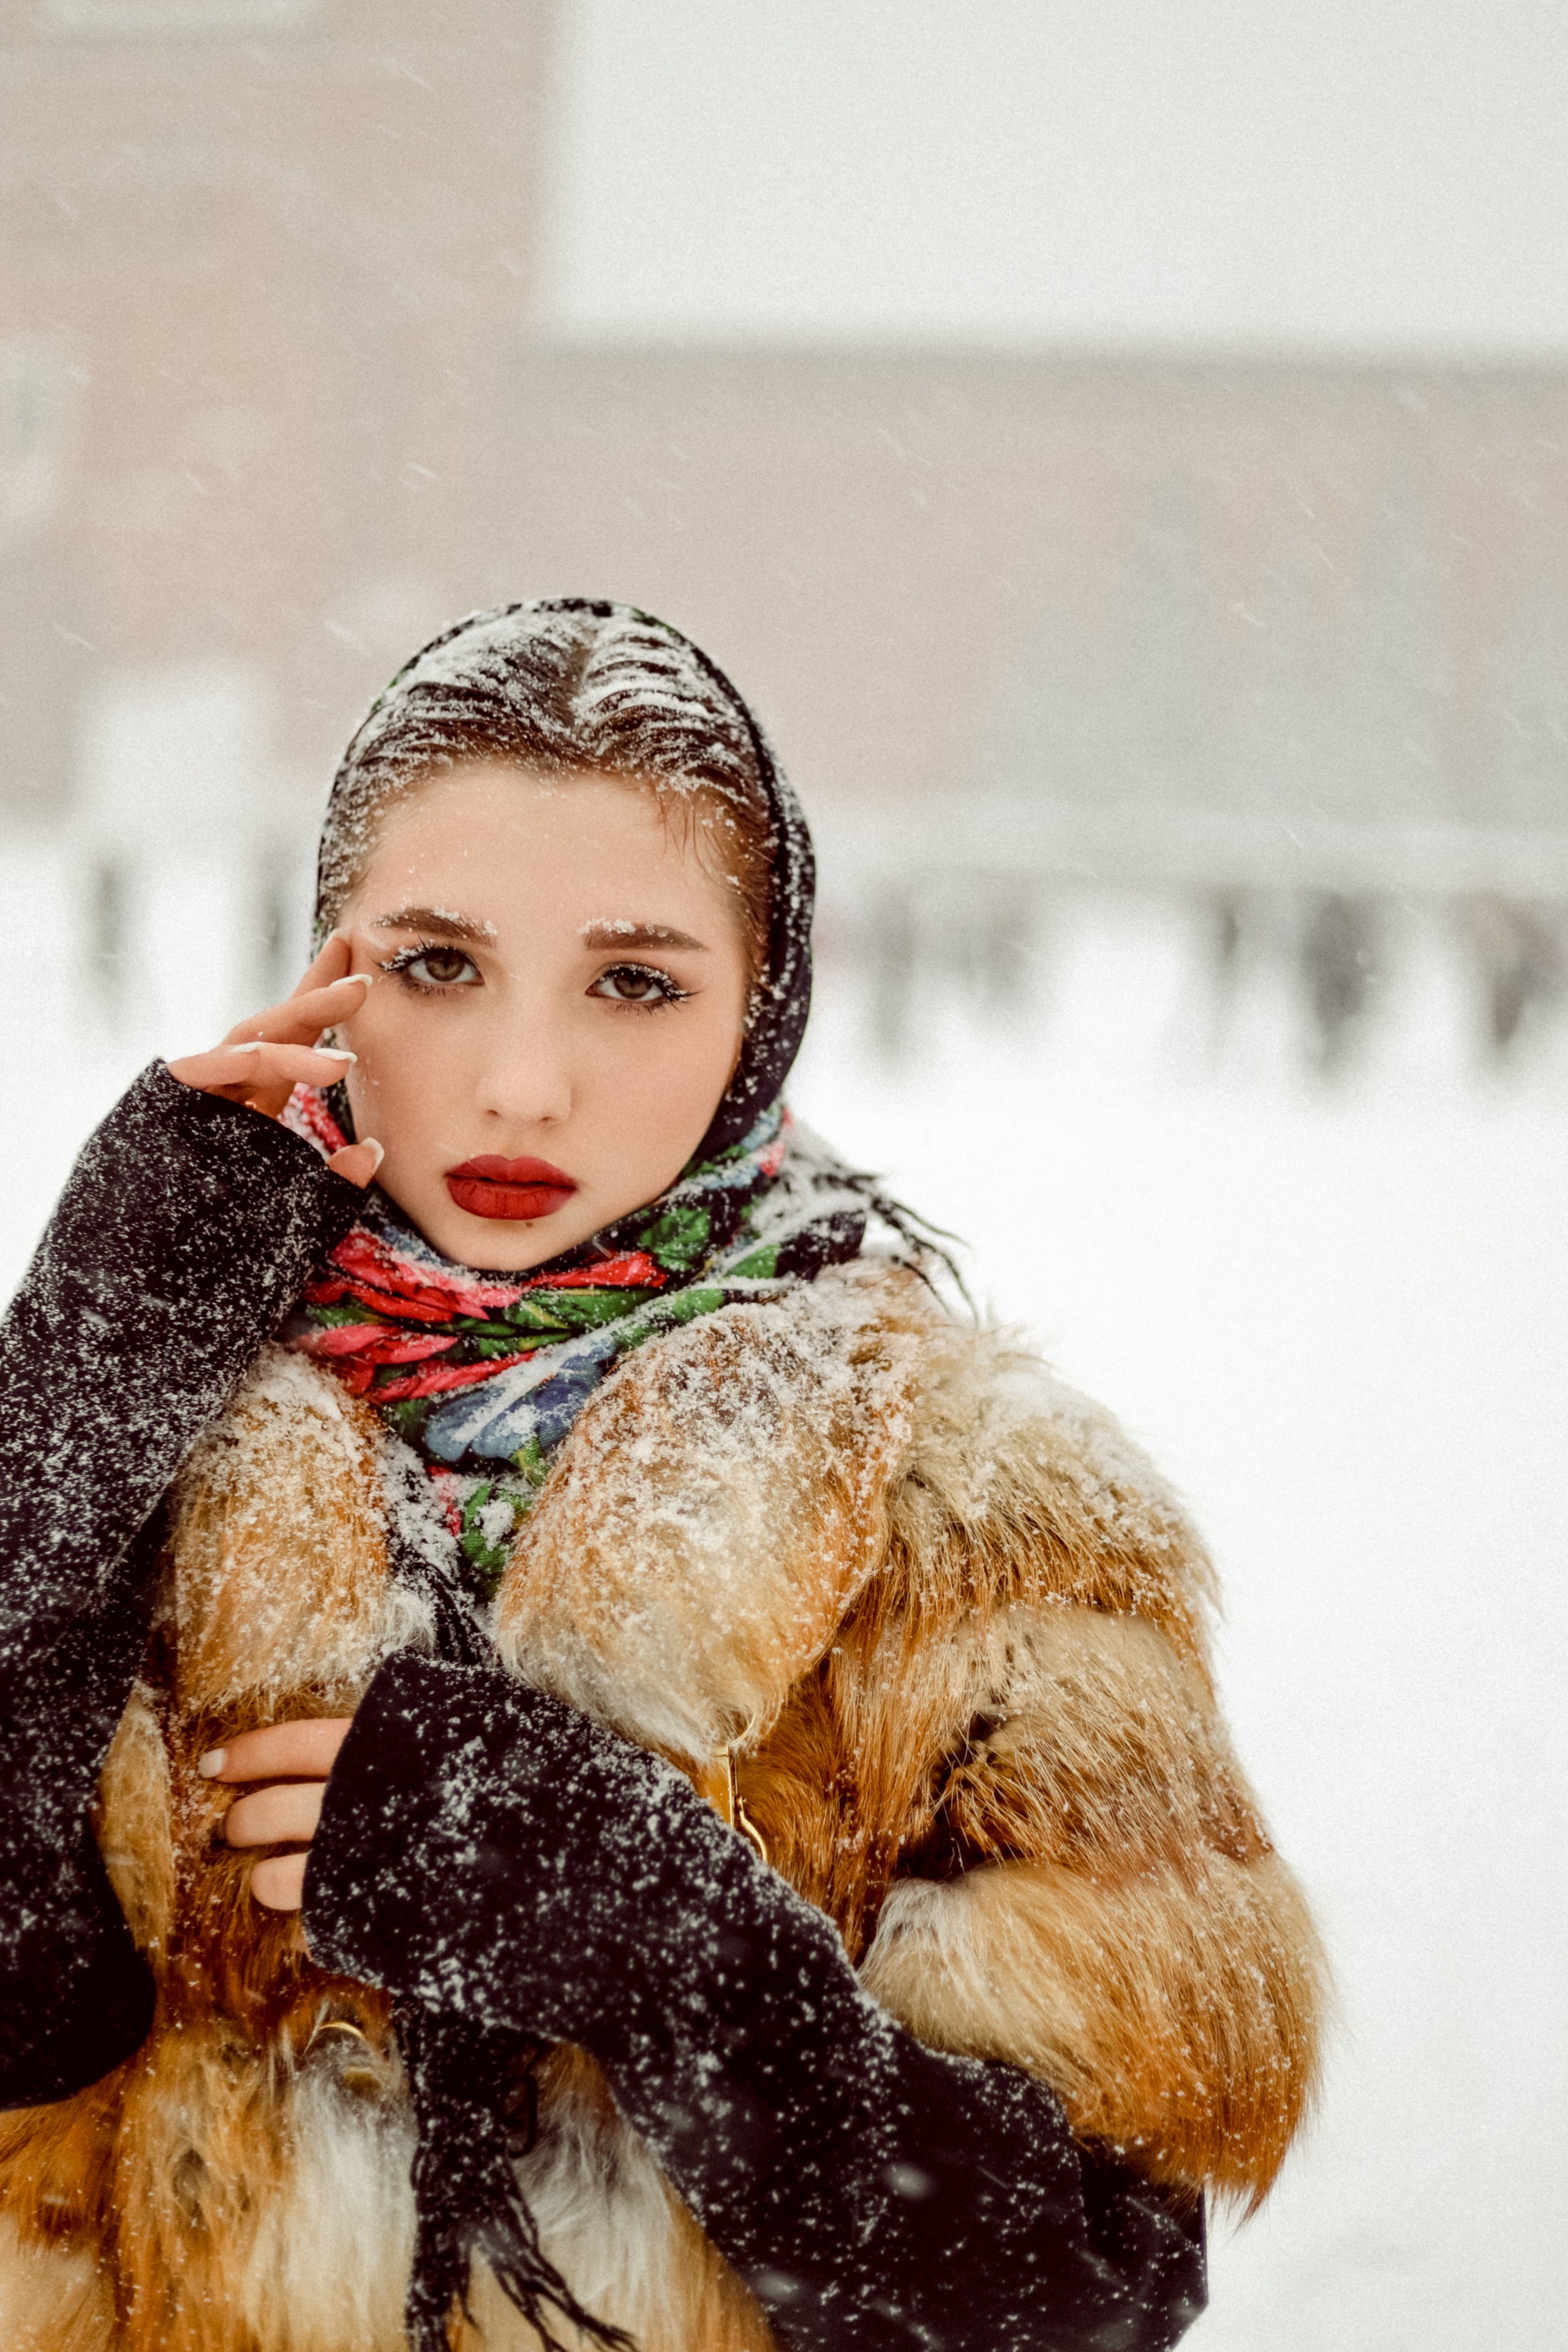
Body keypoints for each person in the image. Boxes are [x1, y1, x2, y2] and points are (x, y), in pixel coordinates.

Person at [0, 601, 1324, 2352]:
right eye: (436, 965)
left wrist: (678, 1948)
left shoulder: (978, 1526)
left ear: (763, 1001)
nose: (522, 1084)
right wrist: (65, 1428)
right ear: (326, 965)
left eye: (636, 982)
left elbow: (1081, 2290)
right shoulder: (148, 1424)